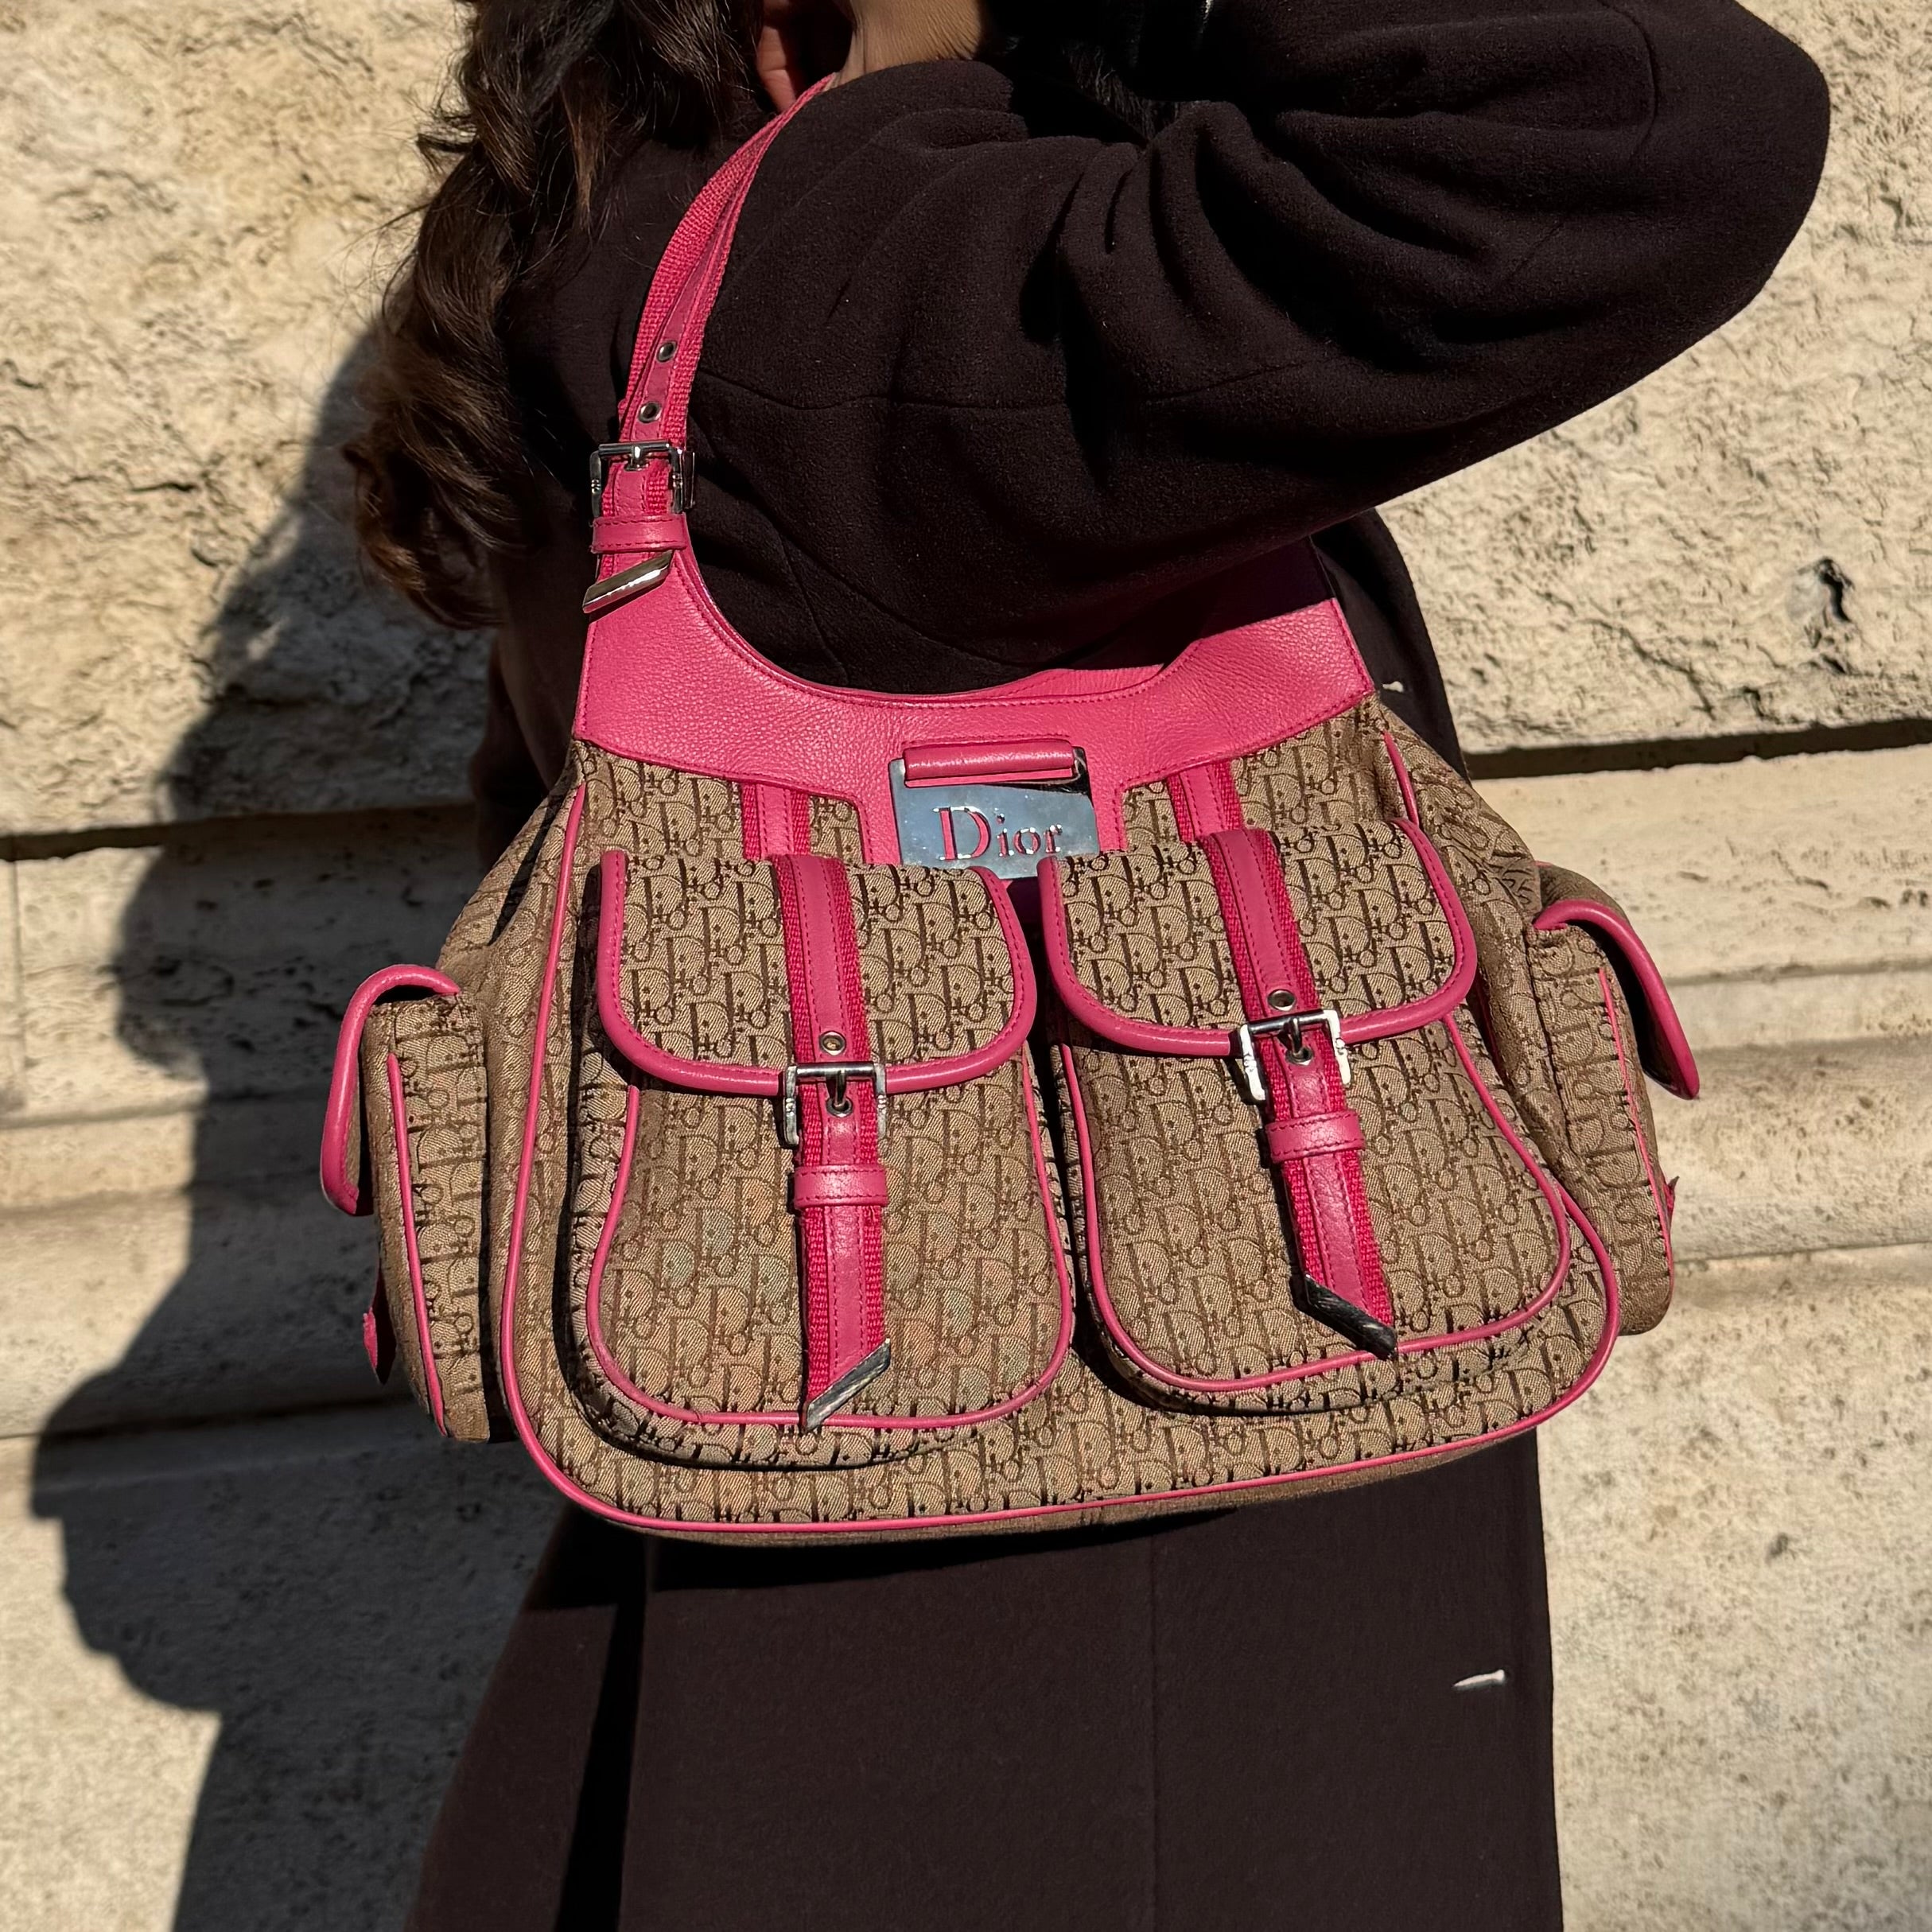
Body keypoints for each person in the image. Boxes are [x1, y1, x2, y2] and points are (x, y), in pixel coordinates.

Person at [349, 1, 1827, 1925]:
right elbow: (1657, 125)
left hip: (840, 1525)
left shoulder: (633, 247)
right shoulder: (880, 241)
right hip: (1143, 1598)